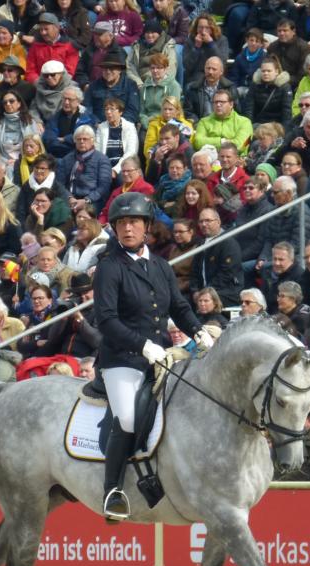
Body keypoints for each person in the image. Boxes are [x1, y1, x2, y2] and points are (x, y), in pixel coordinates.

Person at [93, 192, 211, 521]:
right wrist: (143, 345)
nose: (127, 228)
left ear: (146, 226)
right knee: (128, 418)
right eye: (121, 223)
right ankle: (112, 491)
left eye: (133, 222)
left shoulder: (160, 265)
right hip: (122, 360)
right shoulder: (109, 267)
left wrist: (199, 332)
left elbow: (179, 307)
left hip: (162, 356)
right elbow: (106, 320)